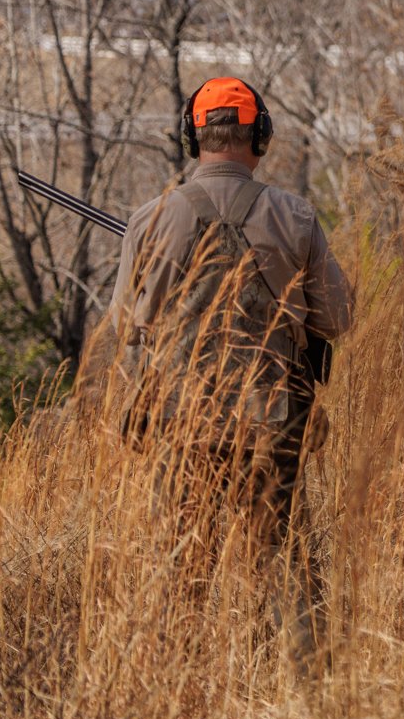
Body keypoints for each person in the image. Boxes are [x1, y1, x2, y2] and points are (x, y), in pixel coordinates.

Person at [89, 77, 352, 655]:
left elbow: (123, 325)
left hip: (179, 424)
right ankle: (313, 692)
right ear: (260, 136)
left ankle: (178, 685)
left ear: (193, 136)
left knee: (179, 566)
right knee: (282, 561)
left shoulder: (150, 219)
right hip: (271, 424)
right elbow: (336, 320)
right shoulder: (297, 217)